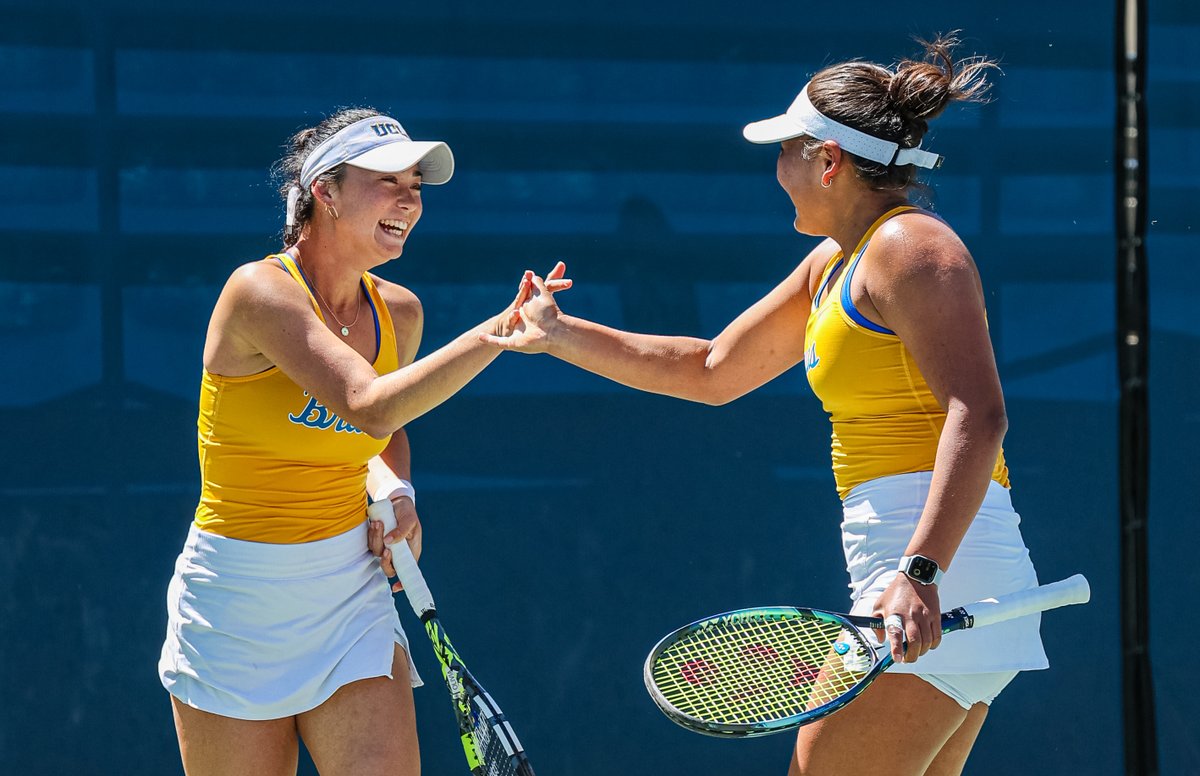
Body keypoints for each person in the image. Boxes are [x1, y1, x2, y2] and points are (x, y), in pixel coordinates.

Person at [487, 34, 1047, 776]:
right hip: (924, 572)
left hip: (942, 571)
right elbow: (712, 370)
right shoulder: (834, 263)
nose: (777, 169)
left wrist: (920, 572)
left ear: (828, 161)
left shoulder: (910, 249)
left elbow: (979, 414)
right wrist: (559, 334)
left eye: (786, 151)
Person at [158, 107, 547, 776]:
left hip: (349, 594)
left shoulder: (400, 312)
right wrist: (497, 334)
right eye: (387, 181)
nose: (409, 200)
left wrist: (398, 492)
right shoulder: (257, 292)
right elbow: (368, 406)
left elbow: (386, 435)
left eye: (415, 186)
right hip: (234, 601)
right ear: (326, 192)